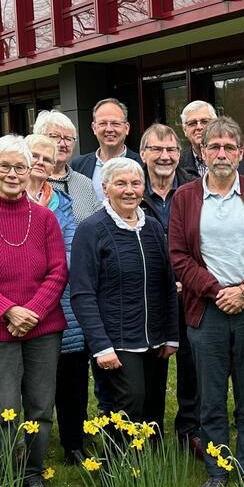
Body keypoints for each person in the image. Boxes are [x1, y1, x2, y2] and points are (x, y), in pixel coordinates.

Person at [169, 116, 244, 487]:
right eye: (214, 146)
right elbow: (178, 255)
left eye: (228, 147)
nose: (221, 153)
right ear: (202, 152)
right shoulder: (185, 197)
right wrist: (216, 291)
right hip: (206, 309)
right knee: (211, 396)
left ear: (240, 153)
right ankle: (217, 470)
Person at [0, 136, 68, 487]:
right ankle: (6, 472)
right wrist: (8, 310)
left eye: (20, 167)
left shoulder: (45, 218)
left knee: (40, 405)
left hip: (43, 326)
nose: (12, 174)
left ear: (29, 171)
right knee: (4, 407)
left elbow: (58, 271)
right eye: (4, 166)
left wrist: (32, 311)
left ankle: (33, 471)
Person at [70, 157, 181, 430]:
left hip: (155, 339)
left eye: (136, 183)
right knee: (129, 403)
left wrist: (171, 335)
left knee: (153, 410)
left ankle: (149, 458)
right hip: (116, 340)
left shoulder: (153, 227)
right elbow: (82, 294)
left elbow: (167, 284)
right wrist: (101, 345)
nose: (129, 190)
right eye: (120, 183)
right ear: (105, 188)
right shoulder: (91, 229)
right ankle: (118, 457)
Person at [27, 133, 89, 467]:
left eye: (46, 158)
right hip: (20, 306)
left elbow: (70, 252)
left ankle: (73, 444)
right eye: (34, 156)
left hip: (64, 302)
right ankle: (29, 448)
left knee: (72, 378)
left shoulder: (65, 205)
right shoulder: (4, 199)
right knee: (28, 381)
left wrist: (46, 272)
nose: (40, 163)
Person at [139, 123, 200, 453]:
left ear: (180, 154)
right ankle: (150, 432)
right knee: (152, 363)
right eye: (157, 149)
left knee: (192, 364)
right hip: (148, 295)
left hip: (190, 292)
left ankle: (190, 430)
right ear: (143, 153)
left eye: (171, 150)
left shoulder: (194, 189)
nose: (165, 156)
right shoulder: (132, 188)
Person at [34, 109, 102, 220]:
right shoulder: (28, 181)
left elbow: (99, 223)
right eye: (55, 136)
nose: (63, 144)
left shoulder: (85, 184)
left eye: (68, 138)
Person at [70, 98, 135, 201]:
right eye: (103, 123)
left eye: (115, 123)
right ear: (94, 128)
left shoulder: (142, 165)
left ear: (126, 128)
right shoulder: (78, 166)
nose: (109, 129)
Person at [177, 99, 244, 179]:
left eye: (204, 121)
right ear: (184, 130)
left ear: (215, 124)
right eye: (192, 123)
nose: (199, 127)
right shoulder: (178, 163)